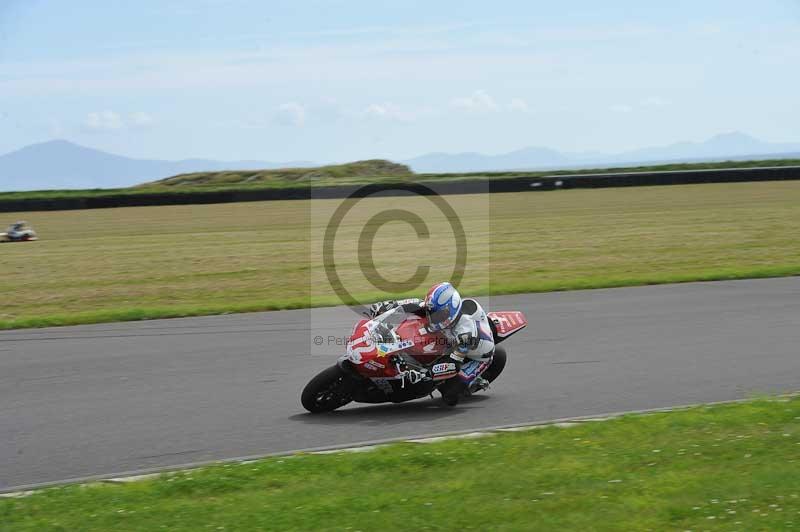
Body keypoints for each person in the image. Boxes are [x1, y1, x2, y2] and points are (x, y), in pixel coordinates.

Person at [367, 282, 495, 405]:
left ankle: (473, 382)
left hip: (477, 356)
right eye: (432, 312)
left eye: (437, 314)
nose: (432, 317)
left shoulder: (465, 334)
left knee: (450, 396)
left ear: (450, 311)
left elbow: (453, 364)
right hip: (451, 339)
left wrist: (426, 374)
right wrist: (385, 307)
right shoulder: (440, 310)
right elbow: (415, 304)